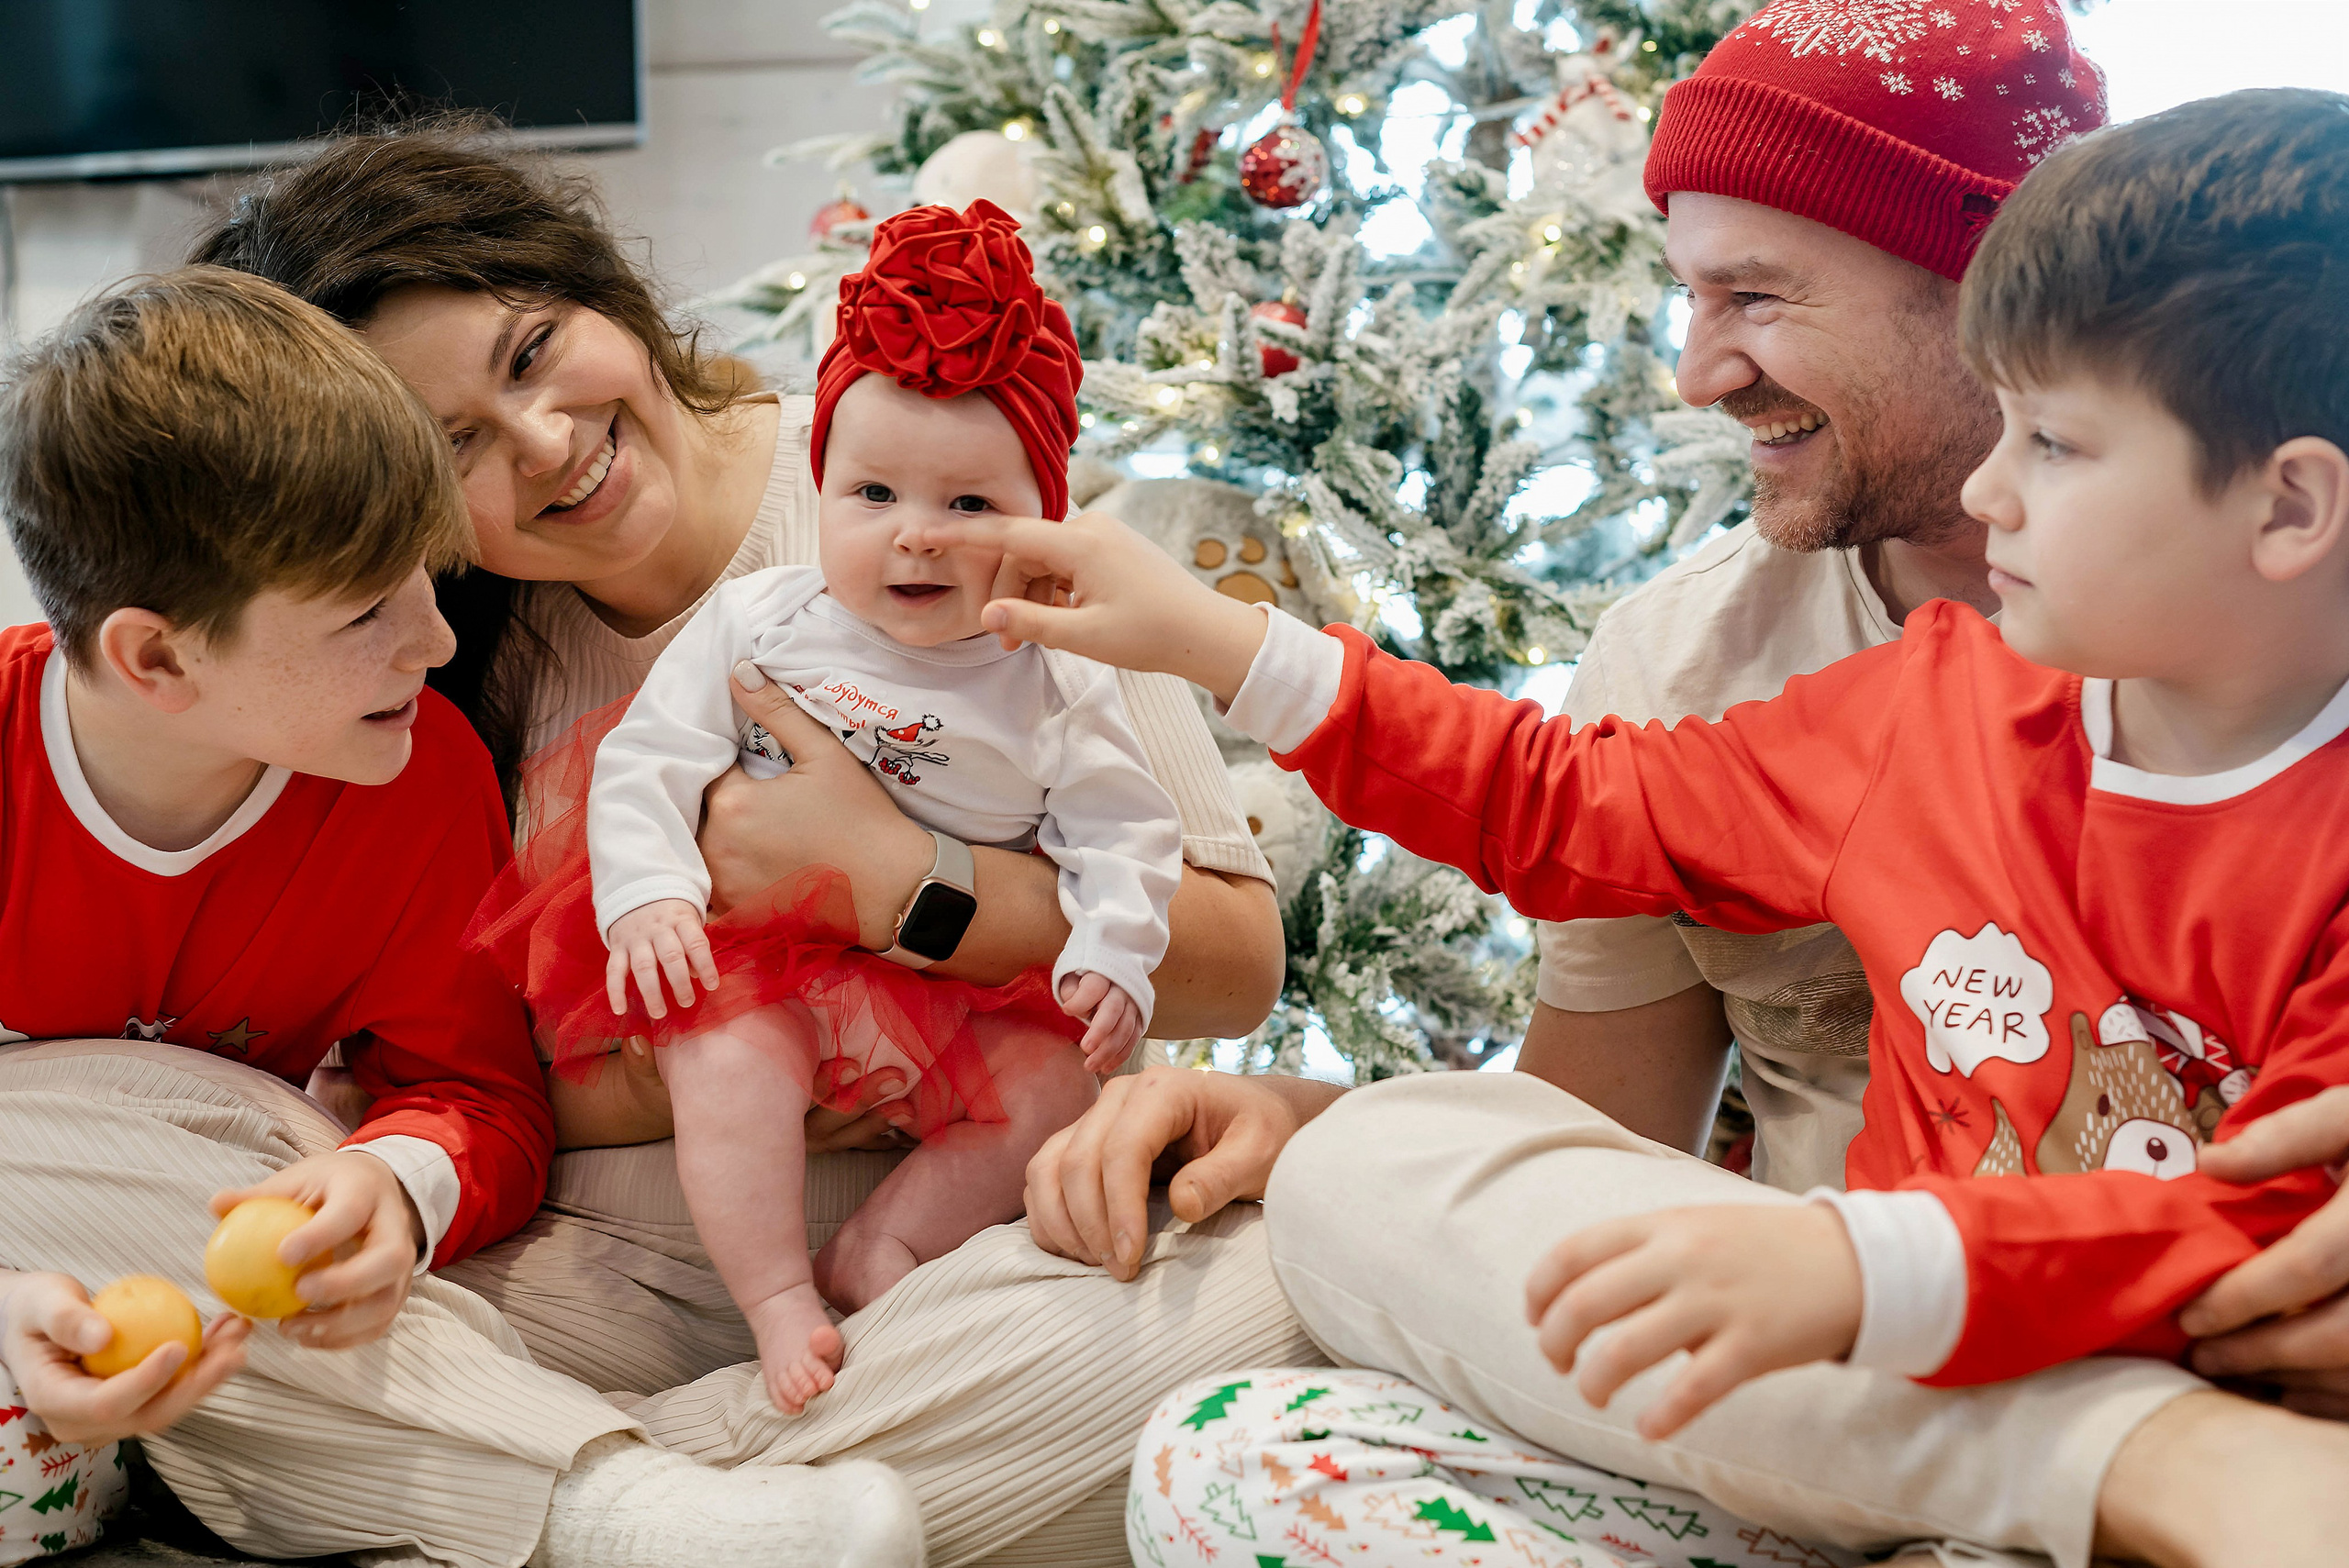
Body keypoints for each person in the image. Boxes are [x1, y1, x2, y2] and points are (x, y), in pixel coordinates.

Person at [975, 83, 2349, 1568]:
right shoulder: (1930, 705)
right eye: (2001, 424)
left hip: (2128, 1409)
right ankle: (2131, 1462)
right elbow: (1571, 800)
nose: (1989, 487)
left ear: (2290, 509)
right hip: (1900, 1422)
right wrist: (1229, 644)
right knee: (1343, 1214)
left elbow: (2265, 1238)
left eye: (2057, 445)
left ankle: (2144, 1467)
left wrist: (1849, 1260)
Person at [194, 125, 1316, 1567]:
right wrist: (709, 1054)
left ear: (597, 287)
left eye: (534, 352)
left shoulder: (934, 472)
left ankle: (593, 1489)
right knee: (197, 1240)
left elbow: (1236, 960)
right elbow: (425, 1078)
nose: (545, 444)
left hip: (960, 1280)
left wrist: (902, 888)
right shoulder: (431, 657)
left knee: (1274, 1281)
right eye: (453, 444)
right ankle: (681, 1497)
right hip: (596, 1278)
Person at [0, 268, 918, 1568]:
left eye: (424, 579)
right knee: (96, 1109)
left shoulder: (412, 775)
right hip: (59, 1283)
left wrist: (393, 1184)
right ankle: (610, 1507)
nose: (437, 642)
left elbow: (479, 1095)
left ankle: (580, 1485)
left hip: (221, 1343)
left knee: (267, 1171)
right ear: (156, 658)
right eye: (365, 612)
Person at [486, 200, 1182, 1413]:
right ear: (824, 491)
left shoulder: (1055, 667)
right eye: (872, 494)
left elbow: (1125, 830)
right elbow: (649, 758)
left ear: (1044, 519)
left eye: (970, 507)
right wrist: (649, 893)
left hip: (961, 982)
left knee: (1050, 1088)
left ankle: (885, 1243)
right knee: (724, 1056)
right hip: (770, 957)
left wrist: (1114, 954)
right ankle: (774, 1295)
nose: (917, 537)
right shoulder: (764, 619)